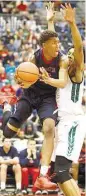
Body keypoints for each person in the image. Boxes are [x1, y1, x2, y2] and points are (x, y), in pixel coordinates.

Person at [1, 2, 69, 191]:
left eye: (57, 42)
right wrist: (21, 80)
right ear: (45, 45)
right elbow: (25, 82)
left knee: (49, 128)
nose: (58, 44)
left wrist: (47, 79)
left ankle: (42, 175)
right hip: (30, 94)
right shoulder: (34, 57)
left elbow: (62, 83)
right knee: (8, 132)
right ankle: (7, 107)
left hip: (48, 98)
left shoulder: (62, 59)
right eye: (54, 43)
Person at [40, 3, 86, 196]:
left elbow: (77, 48)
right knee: (59, 174)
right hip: (65, 122)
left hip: (73, 122)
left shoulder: (76, 73)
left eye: (69, 55)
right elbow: (53, 47)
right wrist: (50, 21)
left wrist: (72, 24)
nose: (65, 55)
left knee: (60, 172)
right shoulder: (63, 72)